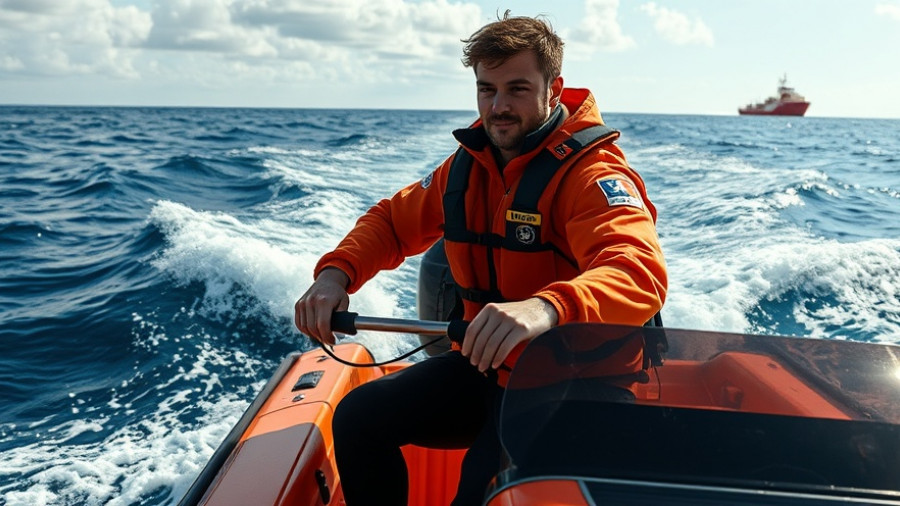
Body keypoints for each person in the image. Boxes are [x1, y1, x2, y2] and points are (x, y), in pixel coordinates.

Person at [294, 11, 667, 505]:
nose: (498, 107)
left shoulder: (591, 175)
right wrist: (335, 275)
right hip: (489, 369)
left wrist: (545, 308)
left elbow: (637, 268)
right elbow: (391, 221)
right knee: (359, 416)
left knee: (482, 489)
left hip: (578, 385)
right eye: (486, 89)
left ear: (553, 88)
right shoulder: (469, 166)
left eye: (516, 88)